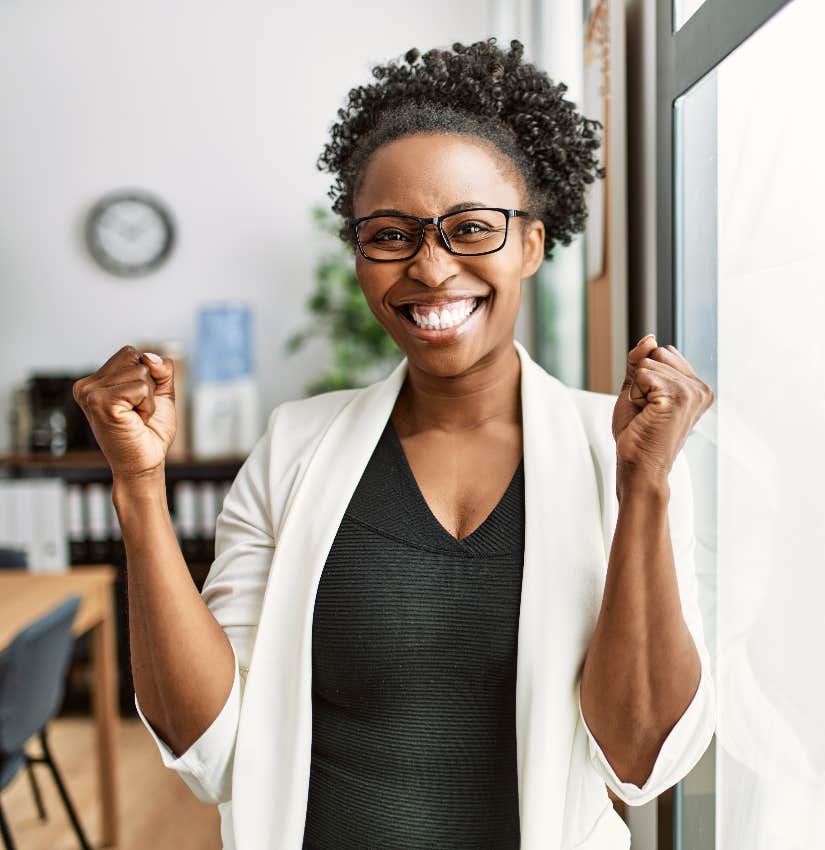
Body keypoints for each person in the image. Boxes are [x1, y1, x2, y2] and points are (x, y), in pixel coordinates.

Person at [73, 38, 716, 850]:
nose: (432, 268)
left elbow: (642, 758)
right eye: (391, 234)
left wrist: (646, 489)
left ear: (531, 244)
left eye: (471, 229)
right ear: (360, 256)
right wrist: (138, 487)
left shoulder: (621, 454)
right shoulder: (294, 447)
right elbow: (207, 747)